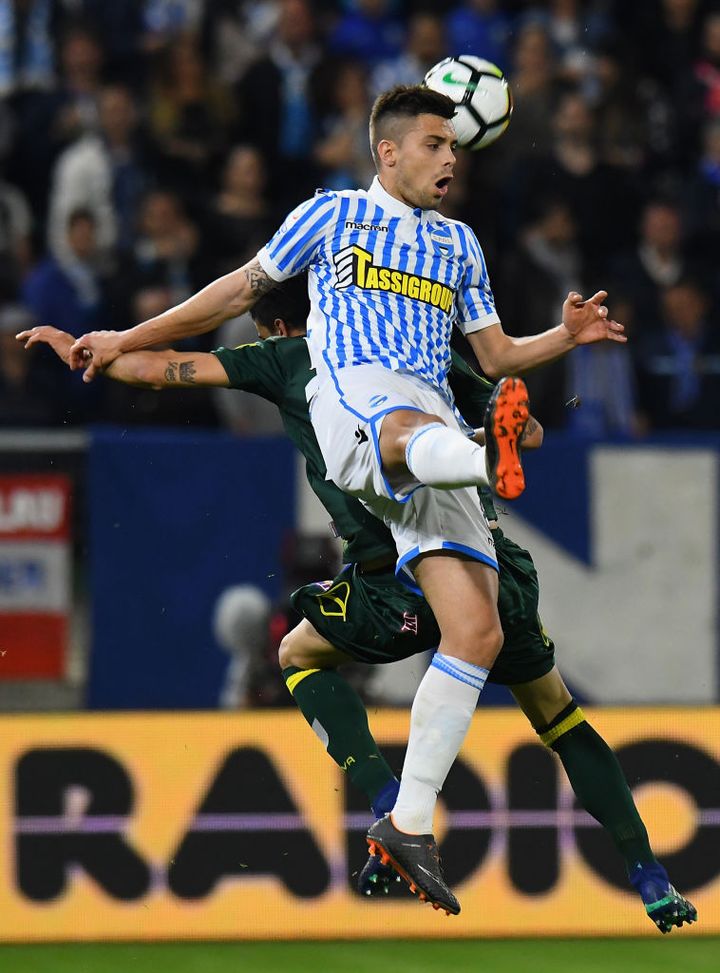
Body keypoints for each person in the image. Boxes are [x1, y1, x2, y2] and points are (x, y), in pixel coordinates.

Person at [61, 84, 625, 914]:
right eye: (434, 143)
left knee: (478, 628)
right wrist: (125, 339)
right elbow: (235, 291)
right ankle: (479, 453)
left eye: (455, 146)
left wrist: (562, 338)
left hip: (431, 420)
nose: (450, 158)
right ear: (388, 152)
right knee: (402, 426)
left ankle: (407, 822)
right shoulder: (328, 217)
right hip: (357, 399)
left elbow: (497, 354)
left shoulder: (462, 245)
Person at [19, 278, 695, 934]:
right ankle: (649, 874)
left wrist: (91, 350)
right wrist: (517, 403)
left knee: (296, 653)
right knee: (558, 715)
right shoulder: (420, 343)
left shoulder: (287, 355)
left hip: (394, 579)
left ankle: (388, 805)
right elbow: (539, 434)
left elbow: (164, 368)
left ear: (278, 325)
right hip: (491, 565)